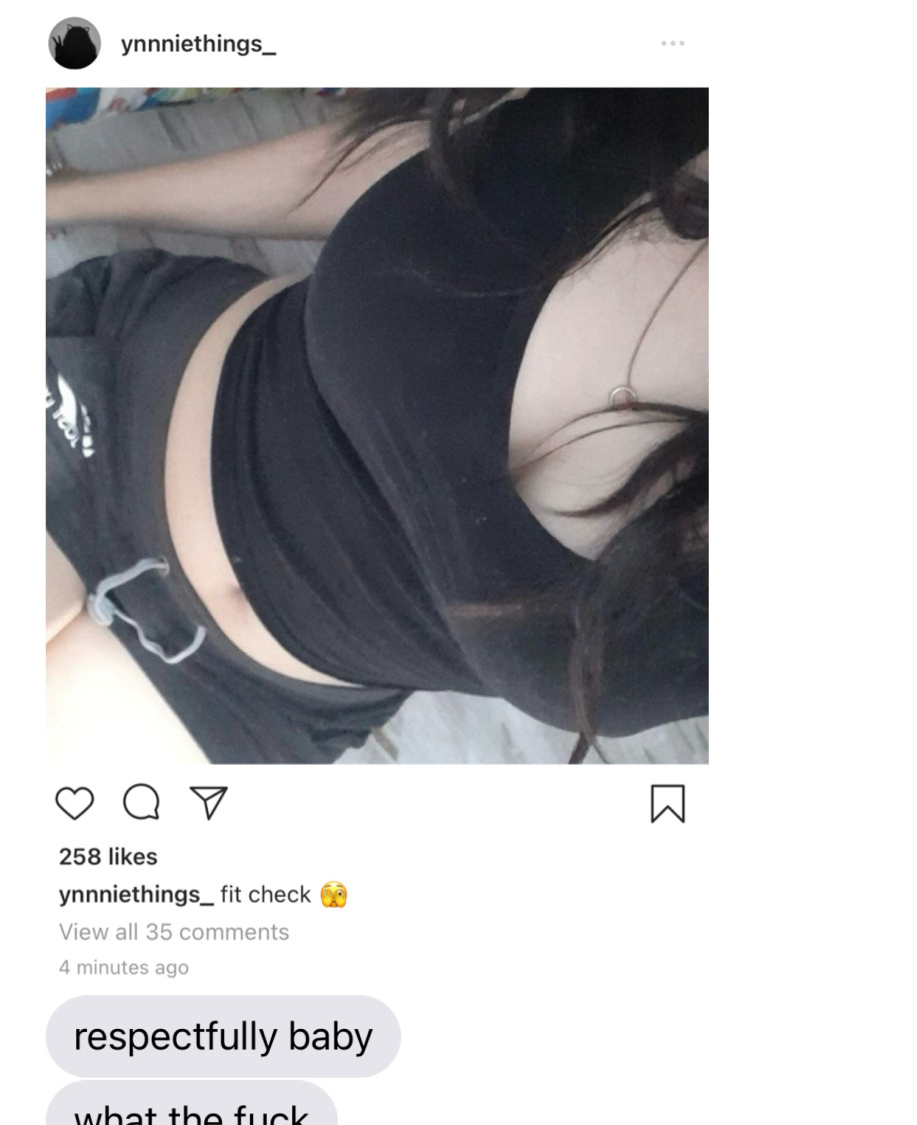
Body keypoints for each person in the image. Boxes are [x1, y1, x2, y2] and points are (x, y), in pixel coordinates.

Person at [45, 89, 709, 765]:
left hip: (247, 705)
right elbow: (394, 172)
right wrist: (63, 195)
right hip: (109, 403)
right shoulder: (674, 119)